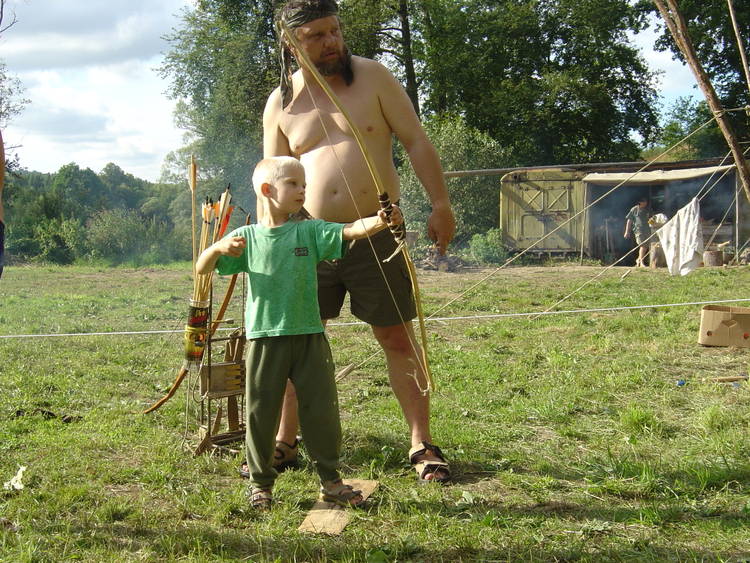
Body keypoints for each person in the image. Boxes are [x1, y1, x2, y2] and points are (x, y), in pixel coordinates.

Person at [262, 0, 456, 483]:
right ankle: (286, 439)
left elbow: (416, 141)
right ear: (291, 43)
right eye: (316, 35)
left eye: (334, 30)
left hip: (378, 233)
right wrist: (272, 242)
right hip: (308, 240)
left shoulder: (373, 77)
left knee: (396, 336)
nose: (331, 42)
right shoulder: (281, 104)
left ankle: (422, 443)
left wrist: (440, 204)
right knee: (296, 340)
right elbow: (271, 179)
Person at [196, 156, 403, 509]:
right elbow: (202, 269)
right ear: (267, 189)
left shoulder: (309, 231)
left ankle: (331, 481)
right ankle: (261, 483)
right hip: (264, 339)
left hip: (309, 335)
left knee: (321, 410)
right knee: (261, 413)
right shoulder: (246, 238)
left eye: (304, 184)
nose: (302, 190)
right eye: (293, 183)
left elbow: (351, 230)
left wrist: (382, 220)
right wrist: (216, 248)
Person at [624, 197, 651, 267]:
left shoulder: (647, 210)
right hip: (639, 230)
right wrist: (627, 231)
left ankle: (638, 260)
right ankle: (641, 262)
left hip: (647, 230)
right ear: (640, 202)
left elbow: (650, 218)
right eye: (644, 201)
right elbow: (629, 221)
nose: (645, 203)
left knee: (646, 246)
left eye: (646, 201)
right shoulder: (634, 209)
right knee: (643, 245)